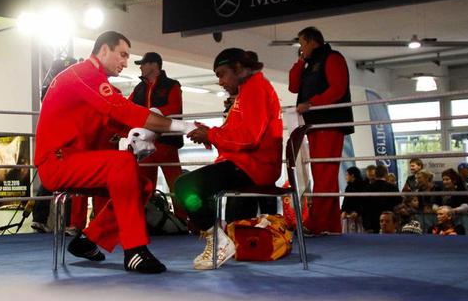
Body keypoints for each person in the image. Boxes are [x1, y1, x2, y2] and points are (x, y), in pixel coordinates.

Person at [35, 30, 190, 274]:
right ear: (104, 50)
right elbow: (123, 111)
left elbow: (121, 121)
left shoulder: (94, 82)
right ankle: (135, 249)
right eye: (123, 54)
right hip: (57, 162)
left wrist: (144, 136)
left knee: (143, 185)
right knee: (122, 163)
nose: (126, 63)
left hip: (75, 160)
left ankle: (88, 240)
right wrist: (182, 127)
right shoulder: (83, 73)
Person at [176, 48, 283, 269]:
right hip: (248, 164)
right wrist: (210, 134)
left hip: (252, 166)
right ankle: (221, 237)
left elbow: (250, 138)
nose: (220, 82)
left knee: (185, 186)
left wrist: (211, 135)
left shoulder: (255, 89)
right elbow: (240, 133)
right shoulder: (250, 89)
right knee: (196, 191)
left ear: (239, 68)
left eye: (222, 74)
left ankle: (218, 240)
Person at [288, 26, 354, 235]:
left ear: (311, 41)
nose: (300, 48)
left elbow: (338, 89)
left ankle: (318, 222)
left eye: (301, 43)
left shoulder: (332, 58)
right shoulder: (309, 64)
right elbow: (293, 86)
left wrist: (312, 103)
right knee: (323, 173)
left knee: (324, 172)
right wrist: (300, 62)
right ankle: (330, 224)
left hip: (329, 123)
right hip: (315, 125)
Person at [128, 51, 187, 222]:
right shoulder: (139, 88)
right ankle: (145, 220)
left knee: (175, 183)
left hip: (166, 142)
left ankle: (183, 220)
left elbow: (174, 108)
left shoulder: (172, 85)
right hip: (145, 144)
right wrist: (148, 118)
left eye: (143, 64)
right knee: (144, 184)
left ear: (154, 65)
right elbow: (127, 107)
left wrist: (145, 117)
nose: (141, 67)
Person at [340, 166, 367, 233]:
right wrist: (344, 211)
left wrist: (358, 212)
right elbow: (345, 201)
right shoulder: (348, 187)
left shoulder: (363, 186)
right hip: (349, 217)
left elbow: (364, 201)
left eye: (347, 175)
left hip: (360, 218)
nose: (345, 177)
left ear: (352, 175)